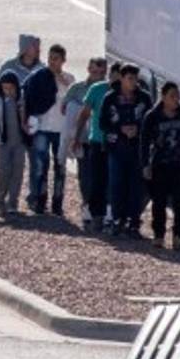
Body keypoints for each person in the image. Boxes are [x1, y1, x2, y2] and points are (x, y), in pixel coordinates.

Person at [99, 64, 151, 238]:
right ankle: (116, 220)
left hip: (137, 150)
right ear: (121, 78)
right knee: (116, 185)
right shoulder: (110, 98)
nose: (133, 82)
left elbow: (151, 122)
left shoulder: (144, 98)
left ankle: (133, 223)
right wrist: (120, 129)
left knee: (136, 187)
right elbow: (102, 123)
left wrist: (138, 129)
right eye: (130, 79)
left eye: (136, 79)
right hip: (116, 149)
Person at [23, 44, 73, 216]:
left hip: (61, 129)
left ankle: (57, 203)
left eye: (56, 58)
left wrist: (62, 83)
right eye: (51, 58)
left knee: (60, 167)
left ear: (63, 60)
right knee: (40, 166)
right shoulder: (38, 77)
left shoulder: (69, 80)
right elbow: (27, 98)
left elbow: (72, 104)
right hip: (42, 127)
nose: (53, 61)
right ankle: (40, 200)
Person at [72, 61, 120, 233]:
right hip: (97, 140)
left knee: (113, 179)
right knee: (96, 179)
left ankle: (110, 213)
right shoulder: (97, 89)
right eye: (115, 75)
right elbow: (84, 114)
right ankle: (95, 214)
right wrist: (77, 136)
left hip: (117, 143)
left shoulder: (127, 93)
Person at [63, 58, 108, 230]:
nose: (97, 75)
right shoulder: (76, 88)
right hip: (82, 138)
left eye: (101, 72)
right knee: (84, 176)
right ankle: (87, 206)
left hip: (97, 139)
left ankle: (97, 210)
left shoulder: (106, 90)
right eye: (95, 71)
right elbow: (65, 107)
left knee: (99, 177)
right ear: (88, 69)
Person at [143, 82, 180, 250]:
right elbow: (144, 142)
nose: (176, 99)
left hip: (178, 163)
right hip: (159, 164)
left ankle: (178, 234)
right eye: (172, 96)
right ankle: (159, 235)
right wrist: (145, 165)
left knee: (179, 202)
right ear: (163, 97)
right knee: (159, 202)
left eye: (178, 96)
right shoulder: (152, 116)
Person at [0, 70, 26, 219]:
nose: (8, 91)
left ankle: (13, 202)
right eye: (5, 88)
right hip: (3, 143)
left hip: (19, 143)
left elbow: (28, 119)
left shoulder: (22, 100)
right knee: (3, 172)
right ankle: (0, 199)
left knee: (17, 172)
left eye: (11, 88)